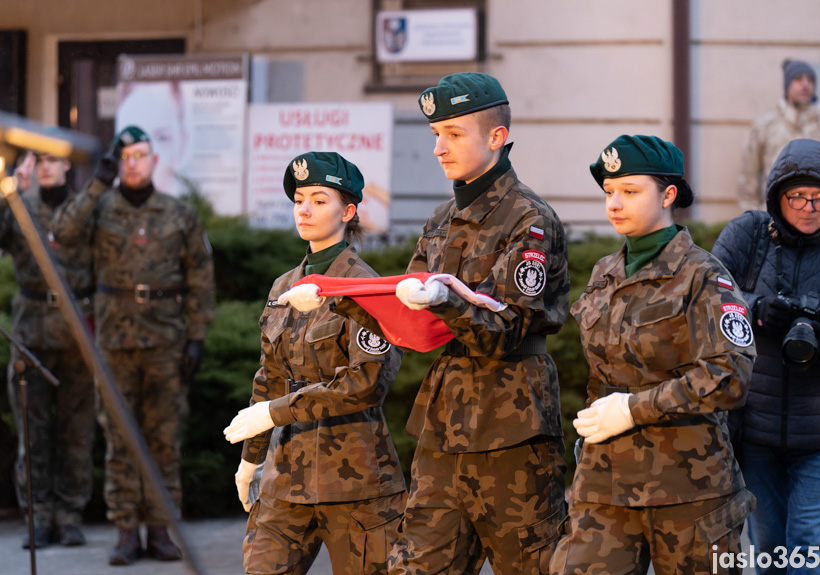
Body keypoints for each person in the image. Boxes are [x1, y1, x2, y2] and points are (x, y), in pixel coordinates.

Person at [295, 72, 570, 574]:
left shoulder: (529, 220)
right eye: (435, 135)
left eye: (454, 134)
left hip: (512, 427)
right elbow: (413, 328)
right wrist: (341, 296)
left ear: (496, 137)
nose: (439, 148)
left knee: (530, 565)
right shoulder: (441, 219)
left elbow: (505, 329)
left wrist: (443, 300)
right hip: (445, 426)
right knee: (417, 566)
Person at [551, 135, 757, 575]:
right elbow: (601, 376)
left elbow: (730, 374)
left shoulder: (703, 275)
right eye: (609, 191)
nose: (614, 203)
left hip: (687, 488)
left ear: (668, 195)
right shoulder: (604, 272)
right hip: (604, 482)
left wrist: (633, 408)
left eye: (630, 190)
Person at [222, 151, 406, 575]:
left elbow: (366, 383)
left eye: (319, 200)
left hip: (357, 483)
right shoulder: (284, 286)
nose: (304, 209)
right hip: (286, 479)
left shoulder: (367, 289)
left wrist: (273, 413)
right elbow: (269, 376)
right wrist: (251, 458)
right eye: (299, 198)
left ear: (349, 211)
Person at [51, 125, 215, 566]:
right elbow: (62, 233)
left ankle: (161, 530)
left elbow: (200, 276)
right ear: (117, 163)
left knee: (163, 438)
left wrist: (196, 336)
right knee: (120, 438)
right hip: (114, 340)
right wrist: (96, 183)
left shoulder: (177, 213)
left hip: (164, 340)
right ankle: (126, 531)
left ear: (154, 161)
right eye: (126, 157)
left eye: (141, 155)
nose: (134, 163)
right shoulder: (100, 207)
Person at [713, 138, 820, 574]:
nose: (809, 207)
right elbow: (706, 293)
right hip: (755, 424)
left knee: (809, 547)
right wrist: (756, 308)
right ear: (778, 195)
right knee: (770, 548)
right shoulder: (749, 235)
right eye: (797, 195)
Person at [1, 150, 95, 549]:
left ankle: (69, 515)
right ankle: (37, 517)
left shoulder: (85, 209)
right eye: (39, 160)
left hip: (77, 331)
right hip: (32, 330)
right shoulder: (21, 207)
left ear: (67, 164)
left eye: (54, 159)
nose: (47, 166)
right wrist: (9, 193)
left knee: (77, 431)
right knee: (32, 430)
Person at [738, 59, 820, 212]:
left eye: (810, 80)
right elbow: (748, 177)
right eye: (798, 79)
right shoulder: (765, 126)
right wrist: (752, 217)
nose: (805, 84)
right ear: (787, 86)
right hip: (773, 218)